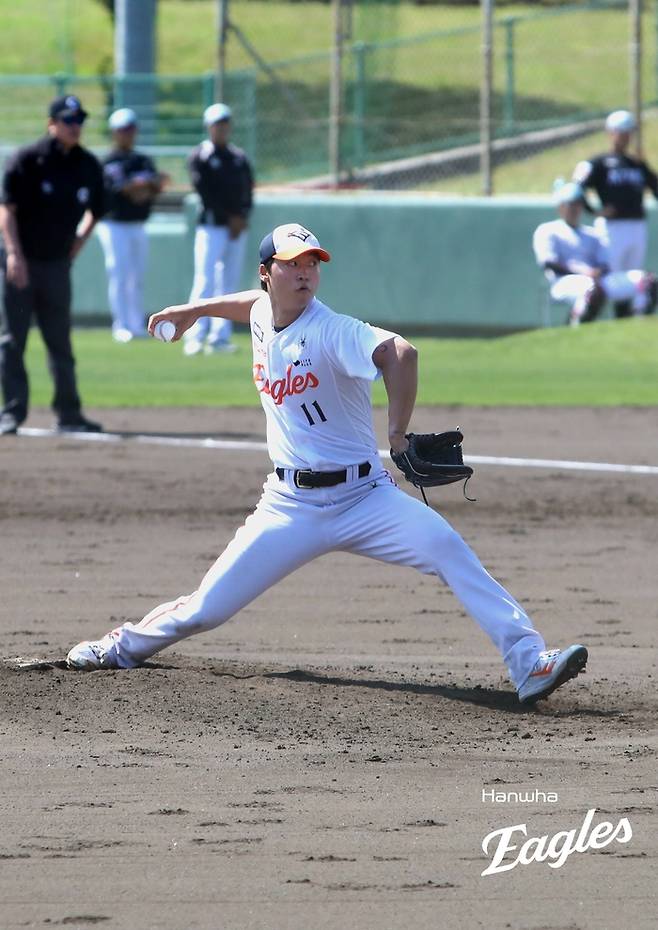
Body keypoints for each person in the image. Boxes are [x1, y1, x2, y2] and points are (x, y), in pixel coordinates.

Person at [67, 221, 588, 706]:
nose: (305, 273)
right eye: (293, 264)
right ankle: (122, 645)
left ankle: (529, 663)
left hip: (366, 498)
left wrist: (397, 433)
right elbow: (251, 305)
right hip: (288, 506)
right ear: (268, 273)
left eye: (312, 264)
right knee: (208, 608)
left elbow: (401, 354)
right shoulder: (262, 313)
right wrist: (196, 309)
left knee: (449, 550)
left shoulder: (331, 329)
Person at [0, 95, 105, 436]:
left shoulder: (86, 163)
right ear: (52, 124)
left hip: (57, 264)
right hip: (22, 264)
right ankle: (13, 412)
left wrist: (77, 243)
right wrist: (14, 255)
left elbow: (99, 208)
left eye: (79, 121)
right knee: (11, 340)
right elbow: (7, 210)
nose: (75, 127)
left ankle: (69, 412)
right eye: (68, 120)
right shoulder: (28, 160)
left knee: (59, 341)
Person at [183, 102, 254, 356]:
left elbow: (248, 189)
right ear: (208, 127)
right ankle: (195, 334)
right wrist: (231, 216)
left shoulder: (238, 157)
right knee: (204, 279)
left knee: (229, 284)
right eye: (216, 124)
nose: (221, 129)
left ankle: (220, 336)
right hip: (212, 226)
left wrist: (242, 217)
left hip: (236, 228)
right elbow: (206, 192)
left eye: (225, 124)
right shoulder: (200, 156)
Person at [533, 181, 657, 326]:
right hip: (564, 281)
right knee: (592, 290)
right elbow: (548, 262)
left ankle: (634, 326)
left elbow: (604, 264)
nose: (574, 208)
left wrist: (597, 271)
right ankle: (574, 330)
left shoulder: (592, 234)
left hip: (599, 280)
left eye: (578, 204)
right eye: (570, 204)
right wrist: (581, 271)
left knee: (649, 281)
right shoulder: (548, 230)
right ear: (560, 206)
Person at [573, 109, 658, 316]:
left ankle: (625, 317)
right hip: (612, 228)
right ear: (610, 132)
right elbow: (576, 188)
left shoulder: (636, 164)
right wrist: (595, 211)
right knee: (611, 276)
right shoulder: (599, 163)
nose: (625, 137)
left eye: (629, 132)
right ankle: (594, 316)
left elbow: (655, 187)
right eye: (621, 132)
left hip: (636, 225)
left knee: (632, 277)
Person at [97, 107, 168, 343]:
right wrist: (142, 186)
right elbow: (123, 189)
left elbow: (157, 184)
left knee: (136, 275)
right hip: (114, 224)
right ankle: (121, 324)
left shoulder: (142, 159)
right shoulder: (109, 160)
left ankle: (136, 323)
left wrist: (143, 187)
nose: (127, 133)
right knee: (118, 273)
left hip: (137, 223)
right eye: (122, 130)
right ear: (114, 132)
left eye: (130, 129)